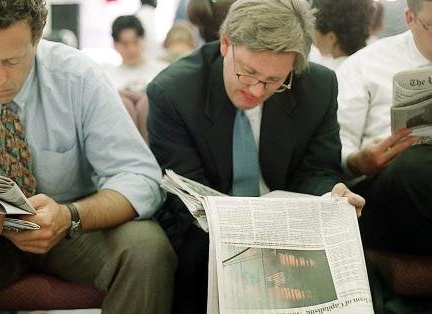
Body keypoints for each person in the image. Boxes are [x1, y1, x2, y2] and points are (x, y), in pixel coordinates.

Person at [0, 0, 176, 313]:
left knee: (147, 248)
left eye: (13, 61)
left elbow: (141, 178)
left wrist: (71, 216)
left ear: (38, 40)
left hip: (72, 226)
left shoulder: (77, 76)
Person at [146, 0, 365, 313]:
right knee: (196, 257)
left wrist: (332, 194)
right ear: (225, 44)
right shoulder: (173, 93)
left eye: (275, 80)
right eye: (248, 72)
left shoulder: (318, 86)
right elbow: (185, 194)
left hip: (291, 225)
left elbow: (316, 171)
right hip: (209, 231)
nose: (257, 90)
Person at [336, 0, 432, 256]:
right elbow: (336, 140)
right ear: (410, 18)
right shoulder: (366, 65)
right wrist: (358, 161)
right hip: (386, 183)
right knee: (413, 165)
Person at [104, 14, 167, 94]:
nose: (131, 50)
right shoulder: (108, 78)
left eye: (135, 42)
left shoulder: (162, 72)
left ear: (143, 40)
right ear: (115, 44)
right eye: (124, 44)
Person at [311, 0, 373, 70]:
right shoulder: (366, 66)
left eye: (315, 27)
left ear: (331, 38)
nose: (313, 35)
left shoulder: (330, 75)